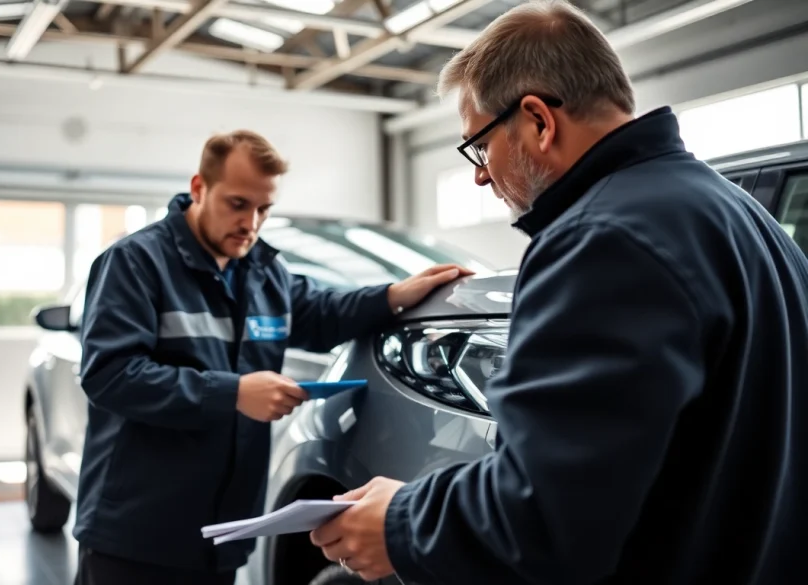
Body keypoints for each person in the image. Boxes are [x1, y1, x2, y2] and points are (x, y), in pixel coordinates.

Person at [309, 1, 808, 583]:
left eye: (479, 146)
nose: (480, 174)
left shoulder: (601, 239)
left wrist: (401, 522)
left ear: (538, 121)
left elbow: (547, 514)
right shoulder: (741, 216)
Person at [71, 129, 470, 585]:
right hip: (136, 537)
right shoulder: (135, 262)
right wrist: (233, 394)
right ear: (199, 188)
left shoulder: (263, 273)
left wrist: (394, 296)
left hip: (221, 537)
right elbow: (110, 375)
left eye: (264, 209)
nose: (251, 222)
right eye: (238, 204)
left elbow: (322, 313)